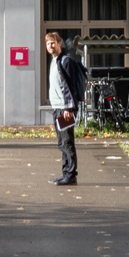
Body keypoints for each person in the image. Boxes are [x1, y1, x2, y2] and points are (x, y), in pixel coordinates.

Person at [44, 30, 88, 185]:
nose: (50, 46)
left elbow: (69, 87)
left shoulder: (65, 61)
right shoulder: (54, 61)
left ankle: (71, 174)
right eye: (48, 44)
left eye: (53, 43)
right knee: (62, 142)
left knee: (67, 141)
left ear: (59, 43)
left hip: (64, 109)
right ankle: (65, 172)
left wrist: (69, 109)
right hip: (57, 108)